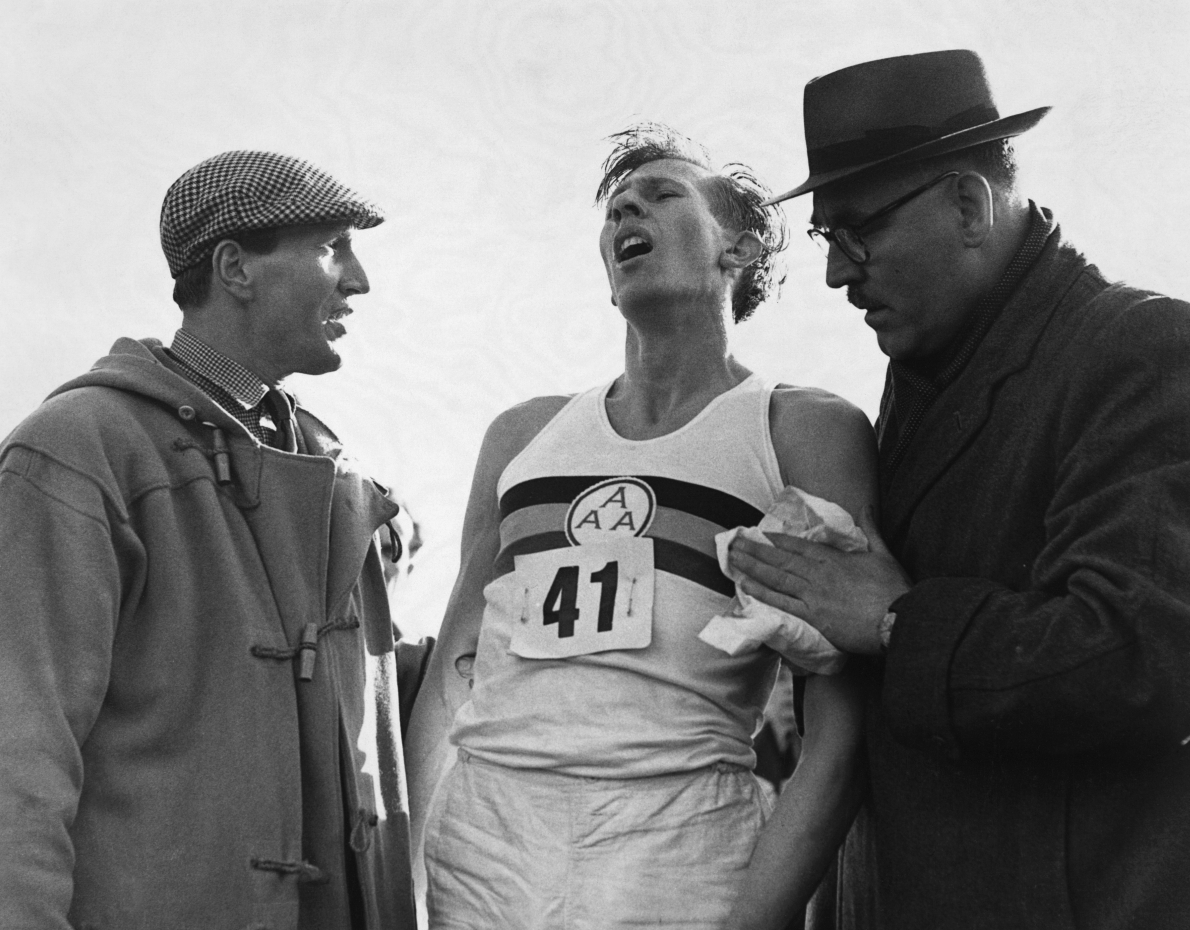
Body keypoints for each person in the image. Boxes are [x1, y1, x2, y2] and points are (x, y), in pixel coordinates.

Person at [729, 50, 1190, 929]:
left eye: (858, 231)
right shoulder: (921, 378)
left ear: (969, 206)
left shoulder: (1142, 348)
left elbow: (1146, 654)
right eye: (828, 240)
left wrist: (897, 622)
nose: (836, 274)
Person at [405, 124, 876, 929]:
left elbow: (841, 720)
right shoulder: (523, 435)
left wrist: (759, 915)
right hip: (487, 837)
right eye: (618, 204)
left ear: (740, 251)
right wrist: (401, 876)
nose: (628, 205)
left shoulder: (802, 429)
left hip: (681, 839)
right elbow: (457, 664)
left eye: (663, 194)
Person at [0, 150, 417, 929]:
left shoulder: (334, 472)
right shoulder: (78, 449)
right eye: (333, 246)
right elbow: (15, 751)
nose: (359, 280)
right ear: (235, 268)